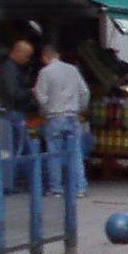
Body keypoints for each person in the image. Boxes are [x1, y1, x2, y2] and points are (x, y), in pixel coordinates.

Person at [34, 44, 91, 196]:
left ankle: (56, 188)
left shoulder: (45, 72)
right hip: (72, 116)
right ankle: (79, 187)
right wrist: (80, 108)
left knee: (54, 153)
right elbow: (84, 91)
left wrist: (45, 110)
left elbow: (41, 97)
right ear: (57, 55)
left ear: (45, 57)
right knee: (76, 152)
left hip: (55, 116)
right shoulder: (73, 70)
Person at [0, 38, 39, 188]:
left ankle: (25, 182)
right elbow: (13, 93)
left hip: (14, 112)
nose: (27, 60)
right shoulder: (10, 69)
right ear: (18, 52)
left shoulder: (10, 68)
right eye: (26, 56)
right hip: (13, 112)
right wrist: (30, 92)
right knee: (16, 148)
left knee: (23, 148)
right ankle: (9, 182)